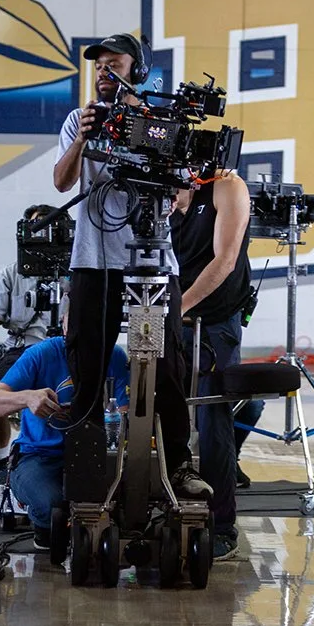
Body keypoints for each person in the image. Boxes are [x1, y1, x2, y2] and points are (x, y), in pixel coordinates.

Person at [54, 32, 210, 501]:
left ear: (137, 70)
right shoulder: (76, 120)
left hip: (152, 263)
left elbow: (184, 196)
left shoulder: (160, 121)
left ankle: (178, 465)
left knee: (165, 366)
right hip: (92, 260)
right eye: (99, 65)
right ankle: (78, 468)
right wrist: (82, 139)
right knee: (86, 360)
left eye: (114, 64)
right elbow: (62, 183)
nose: (104, 71)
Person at [0, 313, 128, 549]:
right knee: (53, 505)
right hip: (40, 455)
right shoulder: (41, 354)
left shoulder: (114, 356)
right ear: (63, 323)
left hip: (96, 454)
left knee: (125, 502)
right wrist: (28, 397)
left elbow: (124, 413)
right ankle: (45, 529)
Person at [170, 169, 251, 560]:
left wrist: (179, 306)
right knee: (153, 411)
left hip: (215, 322)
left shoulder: (225, 186)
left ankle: (221, 524)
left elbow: (226, 259)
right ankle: (162, 498)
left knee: (212, 417)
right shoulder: (155, 196)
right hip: (168, 321)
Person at [0, 204, 65, 461]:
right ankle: (1, 458)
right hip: (22, 348)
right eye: (37, 227)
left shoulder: (76, 274)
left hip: (63, 348)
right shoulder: (10, 274)